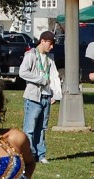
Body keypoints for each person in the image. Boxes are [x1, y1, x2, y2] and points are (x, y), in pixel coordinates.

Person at [19, 30, 61, 164]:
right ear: (42, 41)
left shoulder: (50, 57)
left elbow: (54, 75)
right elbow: (23, 72)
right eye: (50, 43)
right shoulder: (31, 55)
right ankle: (29, 154)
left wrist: (56, 94)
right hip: (33, 97)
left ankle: (41, 155)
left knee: (42, 128)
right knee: (29, 128)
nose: (52, 46)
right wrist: (40, 79)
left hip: (46, 96)